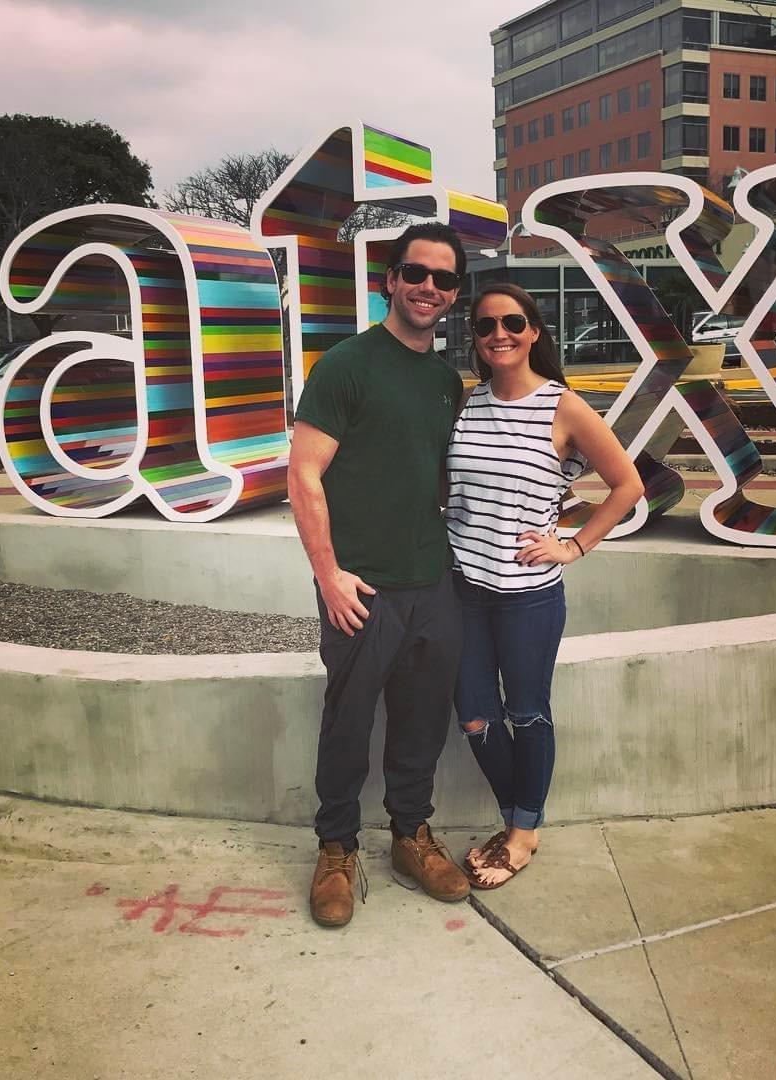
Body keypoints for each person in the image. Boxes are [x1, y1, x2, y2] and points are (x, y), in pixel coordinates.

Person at [288, 222, 472, 927]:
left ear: (453, 295)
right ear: (391, 280)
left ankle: (409, 836)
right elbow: (304, 475)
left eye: (443, 279)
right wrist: (329, 574)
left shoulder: (442, 380)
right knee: (348, 721)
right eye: (416, 273)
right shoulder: (346, 365)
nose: (428, 287)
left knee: (423, 720)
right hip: (360, 587)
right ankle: (336, 848)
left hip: (433, 583)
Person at [446, 283, 644, 889]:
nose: (498, 334)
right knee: (476, 718)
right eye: (484, 326)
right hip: (462, 589)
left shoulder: (564, 406)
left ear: (533, 331)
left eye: (512, 322)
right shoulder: (466, 403)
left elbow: (627, 486)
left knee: (526, 712)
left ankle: (522, 833)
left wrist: (573, 545)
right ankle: (517, 820)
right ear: (474, 340)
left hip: (527, 594)